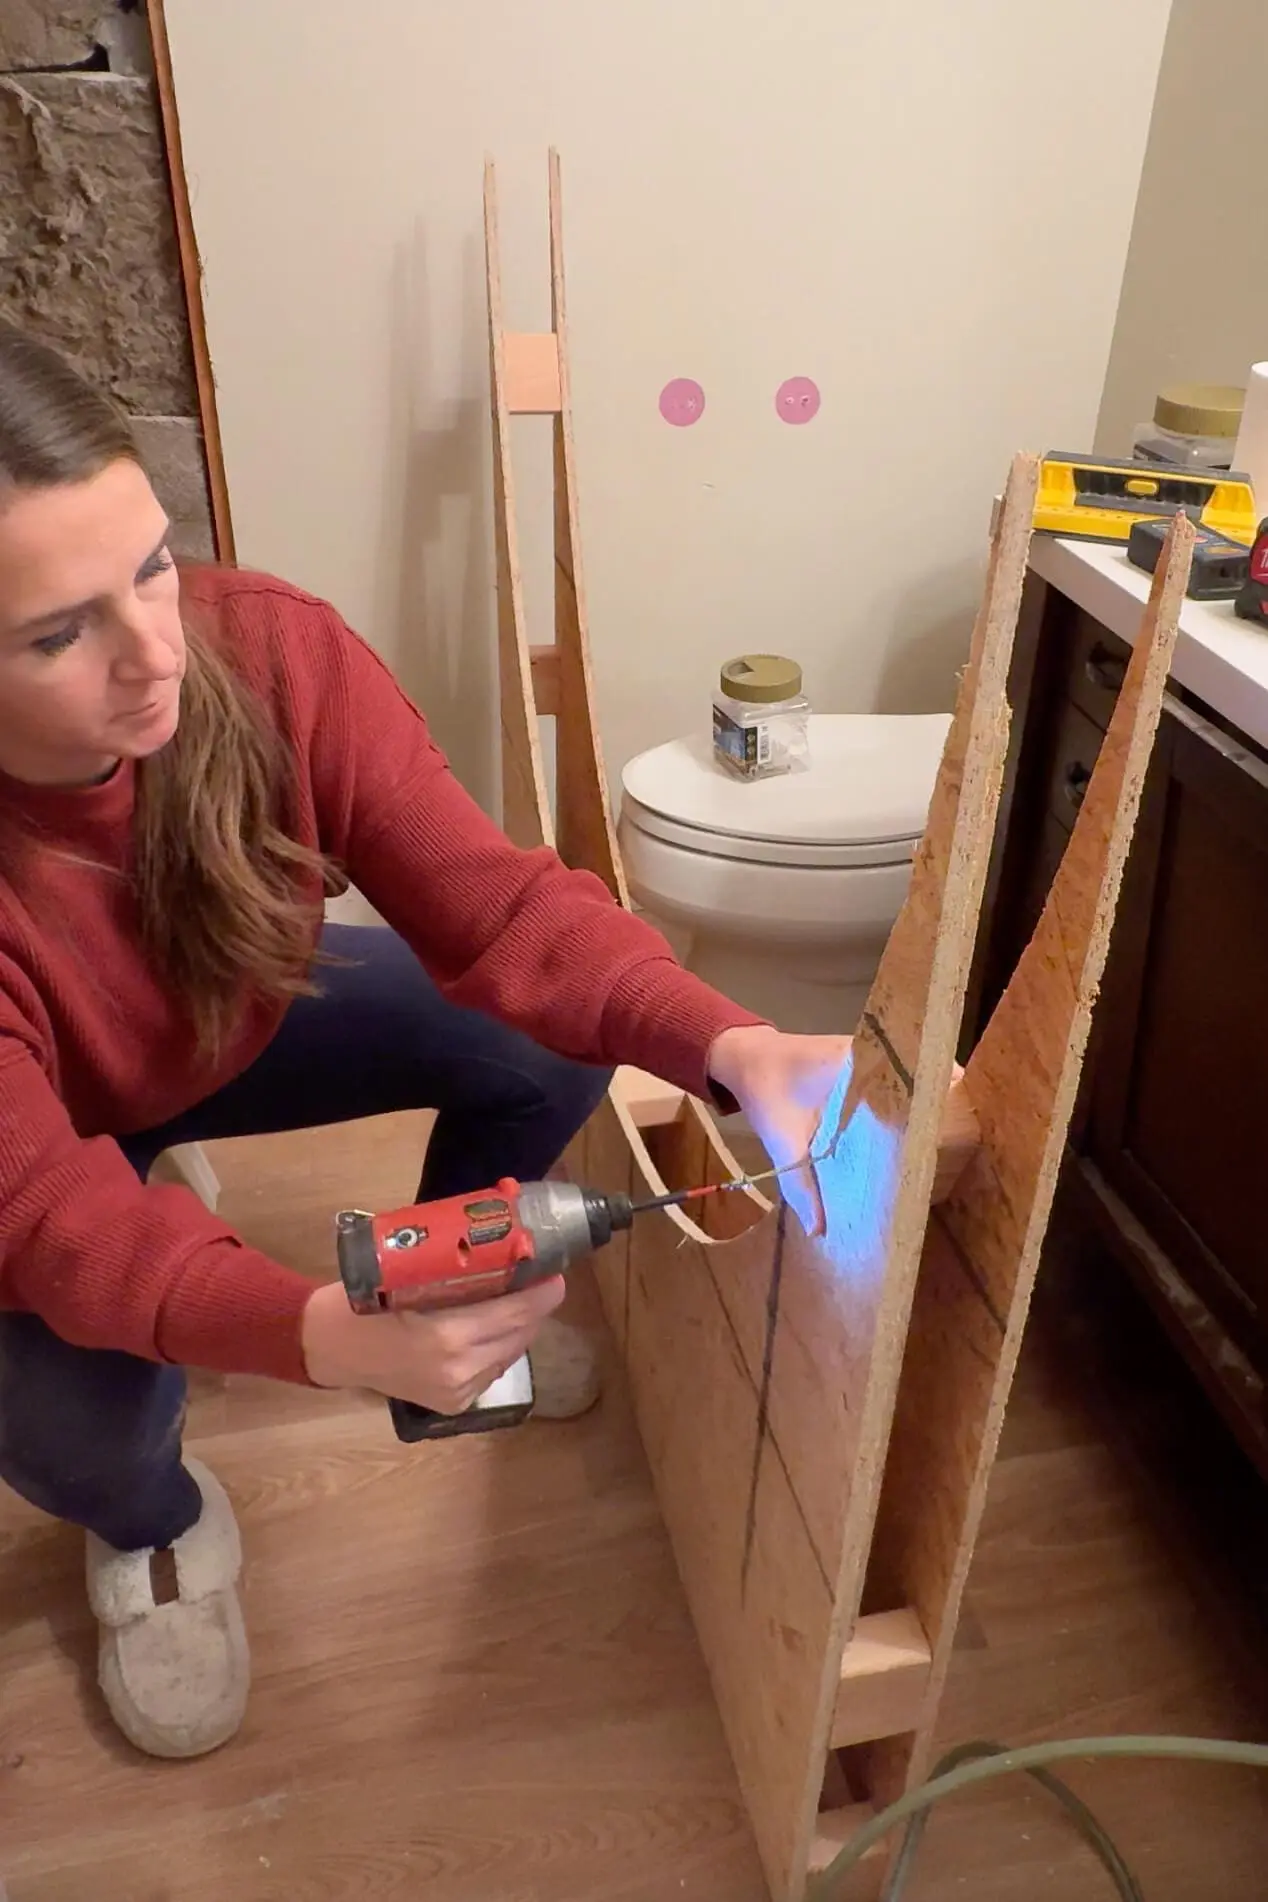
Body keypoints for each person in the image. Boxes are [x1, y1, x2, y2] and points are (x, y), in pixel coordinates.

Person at [0, 322, 848, 1762]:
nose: (156, 657)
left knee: (547, 1044)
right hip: (37, 1131)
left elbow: (506, 912)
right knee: (64, 1410)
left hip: (221, 1014)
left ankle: (458, 1316)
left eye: (150, 564)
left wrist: (730, 1040)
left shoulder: (270, 648)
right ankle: (155, 1518)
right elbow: (42, 1215)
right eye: (55, 631)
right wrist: (313, 1333)